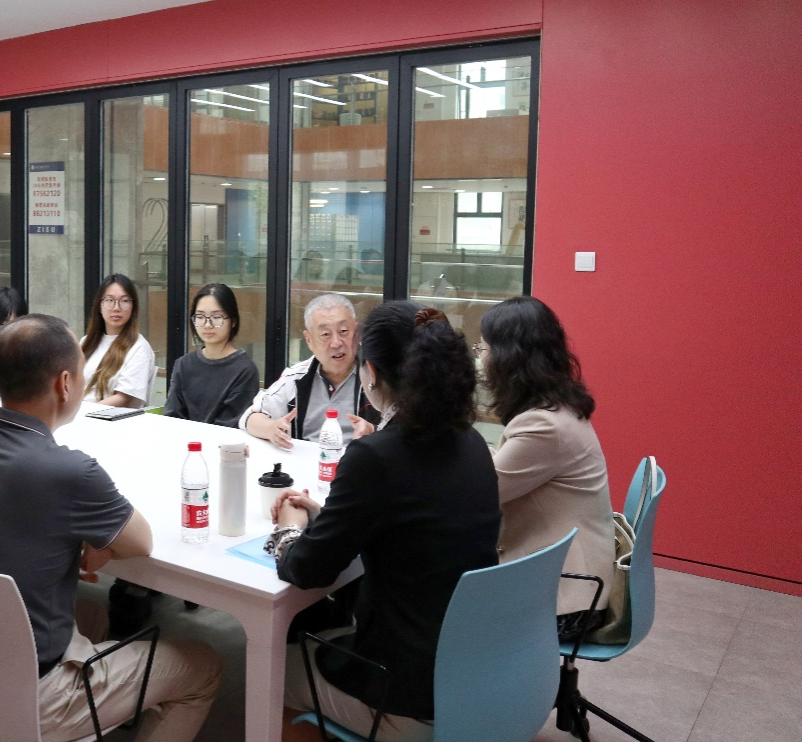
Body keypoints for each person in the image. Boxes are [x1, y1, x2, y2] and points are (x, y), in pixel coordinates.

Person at [0, 314, 221, 742]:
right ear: (65, 384)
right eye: (82, 372)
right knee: (203, 665)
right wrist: (93, 536)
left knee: (92, 615)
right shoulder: (70, 472)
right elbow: (141, 541)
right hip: (29, 695)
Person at [270, 302, 500, 742]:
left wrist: (290, 526)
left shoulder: (376, 457)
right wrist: (329, 515)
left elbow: (305, 570)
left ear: (370, 372)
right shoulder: (472, 441)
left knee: (271, 666)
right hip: (474, 667)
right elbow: (410, 522)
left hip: (409, 688)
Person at [478, 295, 615, 639]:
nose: (479, 358)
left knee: (441, 609)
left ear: (508, 358)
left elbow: (478, 494)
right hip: (568, 578)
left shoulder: (543, 426)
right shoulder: (555, 408)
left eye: (483, 349)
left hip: (567, 599)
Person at [241, 293, 379, 449]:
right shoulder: (296, 376)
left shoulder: (377, 374)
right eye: (325, 334)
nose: (336, 343)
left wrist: (373, 431)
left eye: (343, 331)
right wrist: (271, 429)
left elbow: (398, 430)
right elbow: (250, 417)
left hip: (360, 460)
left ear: (356, 332)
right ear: (309, 340)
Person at [163, 282, 259, 428]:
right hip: (183, 440)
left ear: (233, 321)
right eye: (200, 317)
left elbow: (231, 425)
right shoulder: (183, 364)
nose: (208, 324)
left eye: (216, 317)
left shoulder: (244, 370)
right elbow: (172, 417)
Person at [80, 273, 156, 408]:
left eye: (124, 301)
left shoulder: (139, 347)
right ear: (99, 305)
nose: (116, 308)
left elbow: (124, 399)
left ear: (133, 307)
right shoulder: (86, 342)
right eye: (109, 300)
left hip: (110, 417)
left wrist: (84, 412)